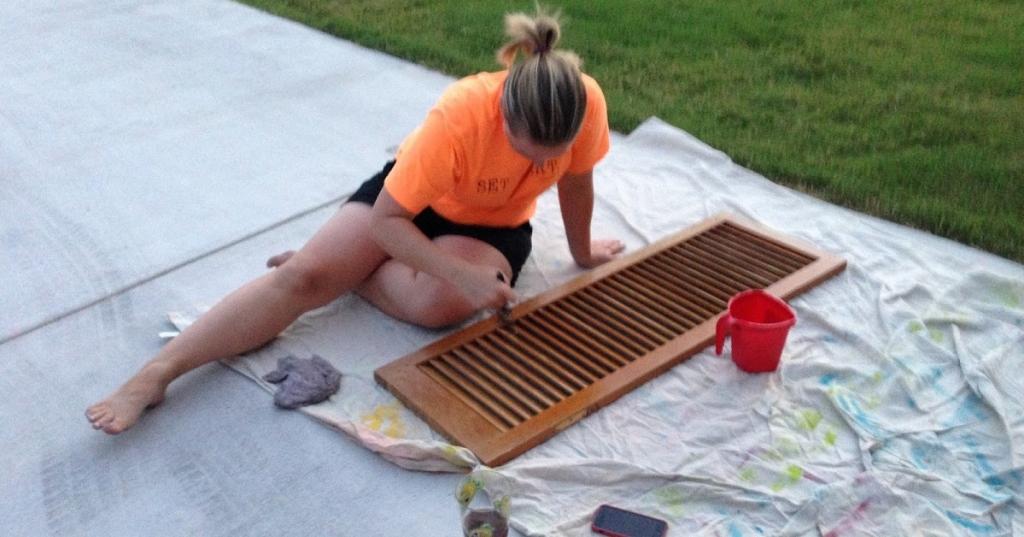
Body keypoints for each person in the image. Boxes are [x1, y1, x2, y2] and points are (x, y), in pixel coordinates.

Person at [86, 9, 624, 434]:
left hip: (492, 226)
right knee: (302, 280)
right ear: (505, 108)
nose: (537, 168)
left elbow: (576, 183)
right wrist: (459, 273)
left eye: (545, 159)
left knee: (437, 305)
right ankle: (157, 375)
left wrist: (581, 253)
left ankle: (352, 273)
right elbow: (389, 221)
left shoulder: (587, 103)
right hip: (411, 206)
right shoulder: (460, 116)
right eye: (525, 151)